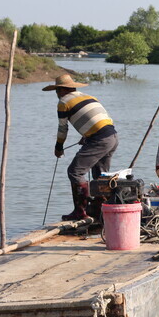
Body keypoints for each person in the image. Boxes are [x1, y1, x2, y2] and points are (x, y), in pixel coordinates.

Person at [42, 74, 118, 220]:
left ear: (63, 90)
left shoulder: (64, 102)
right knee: (100, 175)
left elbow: (63, 129)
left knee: (75, 172)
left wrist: (59, 147)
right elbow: (100, 119)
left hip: (100, 139)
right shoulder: (88, 97)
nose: (57, 94)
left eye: (57, 91)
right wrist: (87, 136)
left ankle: (80, 211)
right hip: (112, 136)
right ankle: (98, 209)